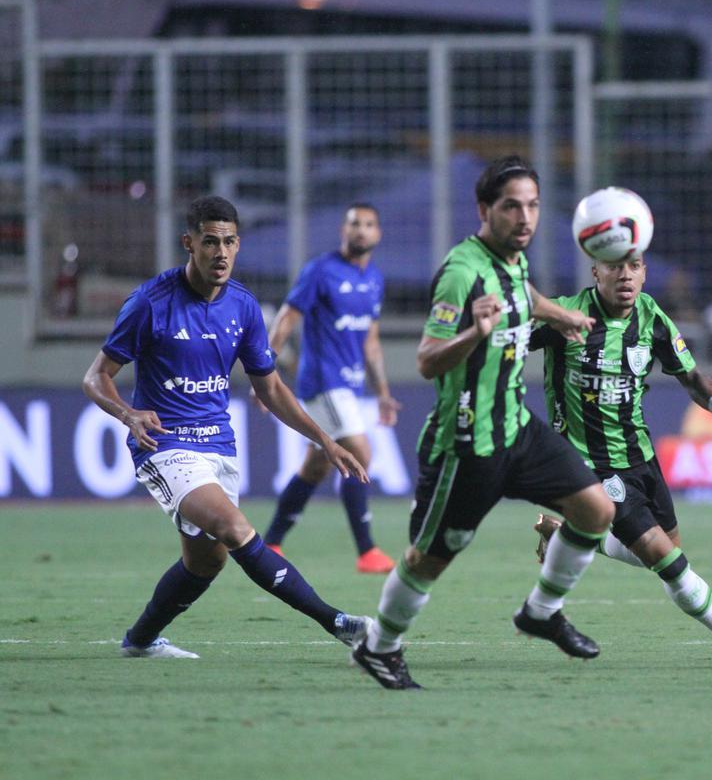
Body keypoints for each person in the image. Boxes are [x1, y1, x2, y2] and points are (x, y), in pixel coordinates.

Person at [351, 156, 616, 690]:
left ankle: (541, 611)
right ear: (484, 210)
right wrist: (474, 333)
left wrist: (558, 314)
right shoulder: (460, 274)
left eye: (533, 205)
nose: (525, 217)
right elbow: (426, 359)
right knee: (429, 560)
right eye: (511, 206)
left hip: (517, 427)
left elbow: (524, 296)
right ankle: (379, 647)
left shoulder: (513, 260)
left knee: (596, 509)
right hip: (468, 444)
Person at [81, 195, 371, 660]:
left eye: (230, 242)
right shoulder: (149, 303)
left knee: (205, 562)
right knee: (236, 529)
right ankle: (336, 622)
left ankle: (139, 641)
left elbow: (272, 388)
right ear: (188, 244)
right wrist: (129, 415)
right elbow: (96, 377)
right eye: (210, 241)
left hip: (219, 441)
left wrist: (325, 441)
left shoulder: (243, 307)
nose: (221, 252)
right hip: (165, 444)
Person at [527, 252, 712, 671]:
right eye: (615, 266)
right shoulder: (567, 315)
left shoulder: (651, 318)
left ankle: (577, 535)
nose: (625, 275)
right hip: (591, 465)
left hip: (642, 458)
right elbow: (507, 342)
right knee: (667, 561)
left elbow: (688, 375)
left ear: (645, 272)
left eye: (634, 266)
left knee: (668, 548)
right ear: (595, 271)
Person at [258, 203, 399, 573]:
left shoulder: (374, 280)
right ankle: (367, 551)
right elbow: (288, 317)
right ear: (343, 229)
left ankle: (270, 543)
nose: (362, 230)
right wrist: (265, 369)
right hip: (323, 381)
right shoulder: (320, 271)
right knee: (359, 452)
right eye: (355, 224)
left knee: (316, 467)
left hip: (351, 386)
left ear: (378, 234)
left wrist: (382, 391)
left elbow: (370, 341)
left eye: (369, 225)